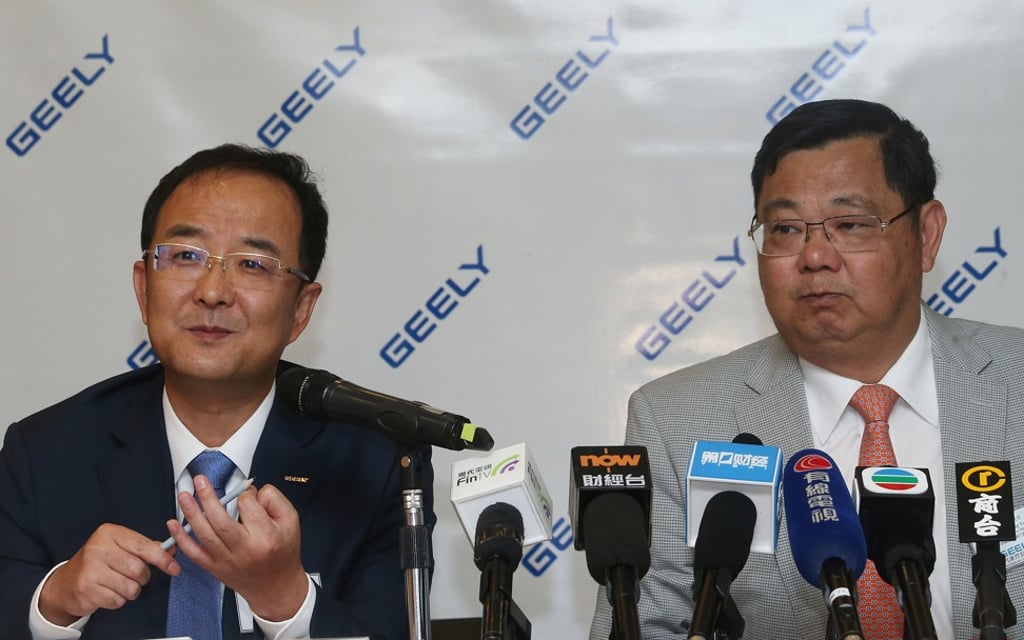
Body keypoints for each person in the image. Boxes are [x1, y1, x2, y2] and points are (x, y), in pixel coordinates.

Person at [589, 99, 1024, 639]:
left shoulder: (1016, 380)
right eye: (786, 229)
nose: (815, 256)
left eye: (849, 223)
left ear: (927, 234)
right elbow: (647, 628)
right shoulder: (676, 421)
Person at [0, 144, 435, 640]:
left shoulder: (377, 466)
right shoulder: (44, 454)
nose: (212, 291)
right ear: (143, 289)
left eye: (252, 264)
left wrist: (283, 599)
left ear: (300, 310)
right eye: (186, 256)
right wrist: (54, 604)